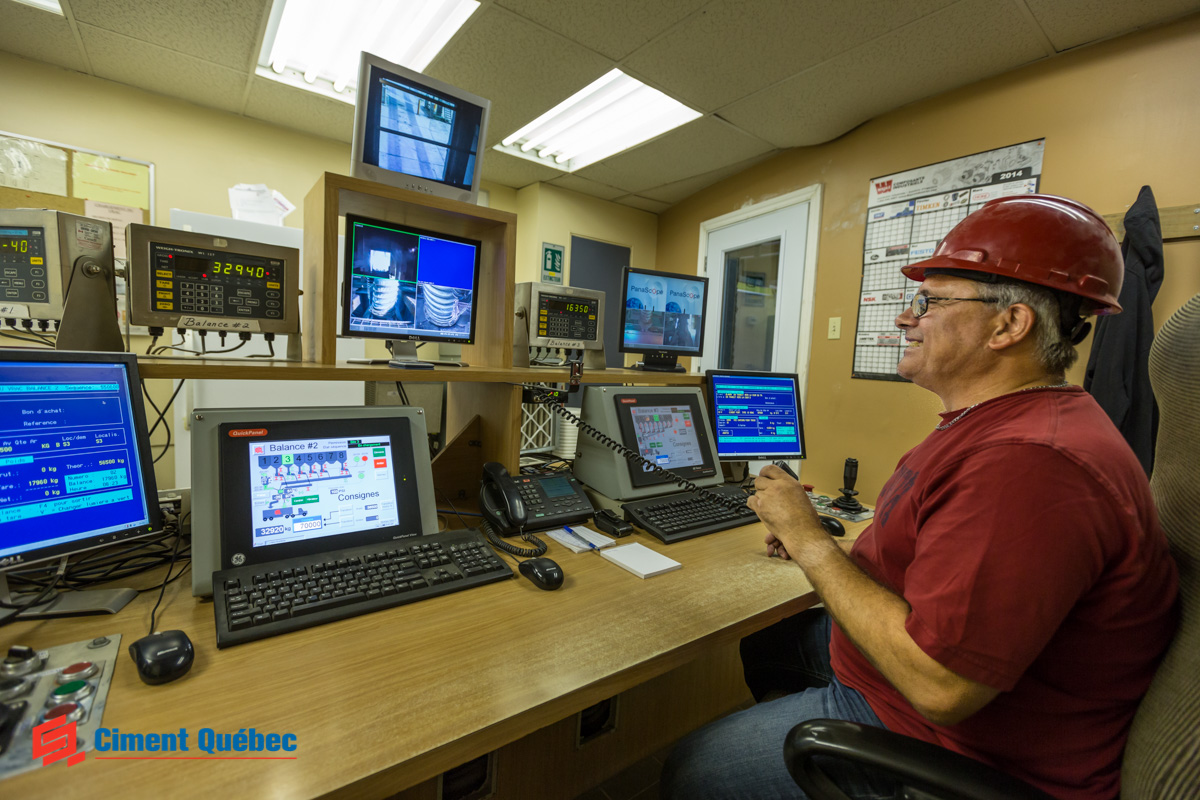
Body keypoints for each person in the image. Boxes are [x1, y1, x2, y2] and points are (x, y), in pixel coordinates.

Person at [661, 194, 1179, 800]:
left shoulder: (1030, 463)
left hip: (957, 744)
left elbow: (942, 687)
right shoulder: (998, 422)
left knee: (693, 768)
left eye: (929, 303)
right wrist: (827, 544)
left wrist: (807, 539)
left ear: (1010, 325)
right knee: (768, 644)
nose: (908, 319)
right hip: (906, 688)